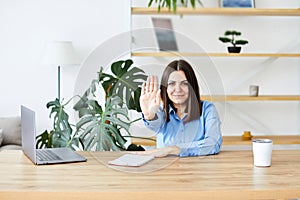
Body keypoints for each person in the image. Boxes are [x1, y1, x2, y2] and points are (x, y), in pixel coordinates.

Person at [137, 59, 222, 157]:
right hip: (167, 170)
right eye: (172, 84)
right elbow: (155, 124)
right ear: (165, 88)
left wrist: (173, 149)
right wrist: (149, 116)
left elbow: (213, 144)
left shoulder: (207, 109)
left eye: (184, 83)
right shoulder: (161, 112)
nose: (178, 89)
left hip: (199, 169)